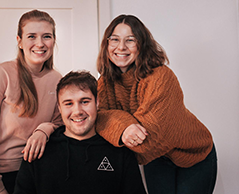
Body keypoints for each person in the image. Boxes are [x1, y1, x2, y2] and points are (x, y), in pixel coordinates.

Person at [96, 14, 217, 194]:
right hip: (158, 158)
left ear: (142, 45)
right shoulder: (105, 81)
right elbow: (97, 117)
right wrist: (124, 127)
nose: (121, 47)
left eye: (130, 40)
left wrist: (118, 128)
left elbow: (147, 139)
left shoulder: (161, 77)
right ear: (106, 44)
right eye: (114, 39)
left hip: (194, 155)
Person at [0, 10, 63, 194]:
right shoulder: (1, 74)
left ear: (53, 40)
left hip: (35, 173)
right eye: (31, 36)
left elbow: (60, 122)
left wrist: (43, 130)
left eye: (46, 36)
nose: (40, 43)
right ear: (19, 41)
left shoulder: (57, 79)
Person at [13, 71, 147, 194]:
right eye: (68, 104)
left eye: (84, 101)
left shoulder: (120, 151)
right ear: (59, 108)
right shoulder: (38, 150)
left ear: (97, 103)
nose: (77, 111)